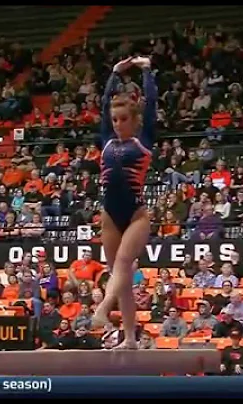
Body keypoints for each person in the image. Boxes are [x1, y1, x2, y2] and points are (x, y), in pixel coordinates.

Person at [91, 56, 156, 350]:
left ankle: (104, 307)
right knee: (123, 279)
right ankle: (129, 339)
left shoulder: (144, 139)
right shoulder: (106, 139)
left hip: (136, 216)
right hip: (109, 215)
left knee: (123, 263)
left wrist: (146, 70)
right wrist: (115, 72)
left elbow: (151, 104)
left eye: (123, 119)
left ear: (135, 120)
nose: (117, 124)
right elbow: (105, 104)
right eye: (115, 120)